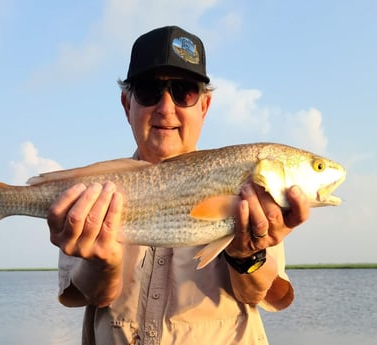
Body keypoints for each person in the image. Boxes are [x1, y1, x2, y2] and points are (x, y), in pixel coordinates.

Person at [48, 26, 310, 345]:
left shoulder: (246, 184)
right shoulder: (94, 192)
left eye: (184, 90)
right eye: (148, 91)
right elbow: (86, 296)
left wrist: (249, 257)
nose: (166, 108)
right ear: (126, 104)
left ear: (204, 106)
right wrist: (101, 264)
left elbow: (266, 295)